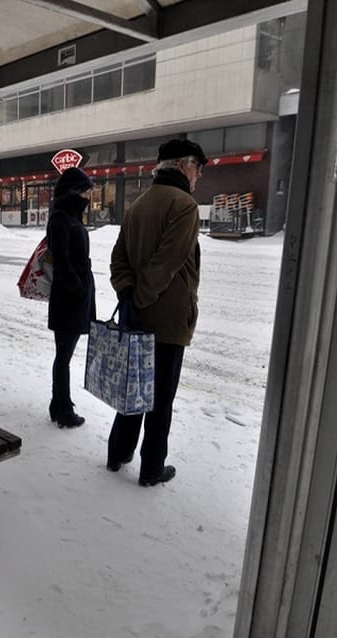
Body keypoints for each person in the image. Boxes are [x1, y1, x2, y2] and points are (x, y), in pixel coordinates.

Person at [106, 138, 206, 486]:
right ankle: (151, 469)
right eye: (197, 167)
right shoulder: (185, 205)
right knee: (161, 399)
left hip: (137, 317)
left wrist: (128, 295)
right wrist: (141, 297)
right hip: (167, 320)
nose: (198, 175)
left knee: (134, 389)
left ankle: (118, 453)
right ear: (181, 165)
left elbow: (118, 258)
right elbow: (168, 261)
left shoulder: (139, 204)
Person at [46, 166, 96, 428]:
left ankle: (58, 404)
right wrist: (78, 288)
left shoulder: (70, 217)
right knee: (64, 356)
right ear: (72, 193)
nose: (88, 197)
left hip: (74, 297)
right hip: (68, 299)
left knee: (63, 354)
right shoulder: (61, 220)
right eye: (85, 192)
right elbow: (62, 262)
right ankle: (63, 409)